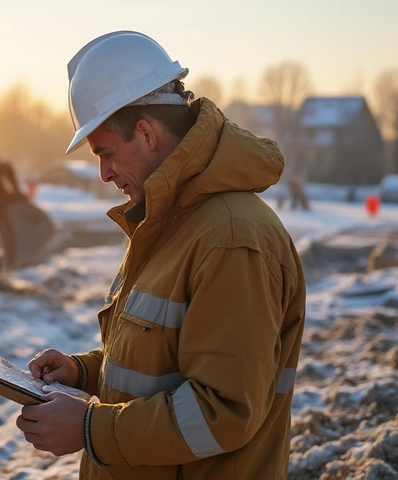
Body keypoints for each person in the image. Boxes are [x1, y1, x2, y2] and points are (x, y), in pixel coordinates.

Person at [16, 31, 306, 479]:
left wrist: (91, 428)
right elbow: (164, 364)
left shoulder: (232, 237)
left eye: (106, 152)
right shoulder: (171, 224)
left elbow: (223, 410)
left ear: (147, 133)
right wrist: (84, 372)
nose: (103, 173)